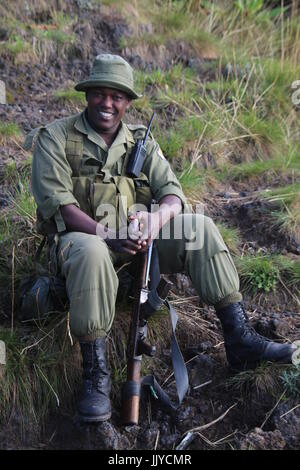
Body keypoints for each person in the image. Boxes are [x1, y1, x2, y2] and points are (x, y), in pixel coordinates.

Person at [29, 54, 296, 423]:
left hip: (138, 243)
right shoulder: (55, 137)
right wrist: (109, 234)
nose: (107, 104)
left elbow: (172, 192)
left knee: (199, 228)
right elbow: (59, 207)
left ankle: (239, 339)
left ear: (128, 101)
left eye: (117, 96)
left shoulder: (141, 141)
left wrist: (157, 218)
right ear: (87, 95)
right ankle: (95, 375)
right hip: (83, 242)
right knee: (92, 251)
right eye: (100, 94)